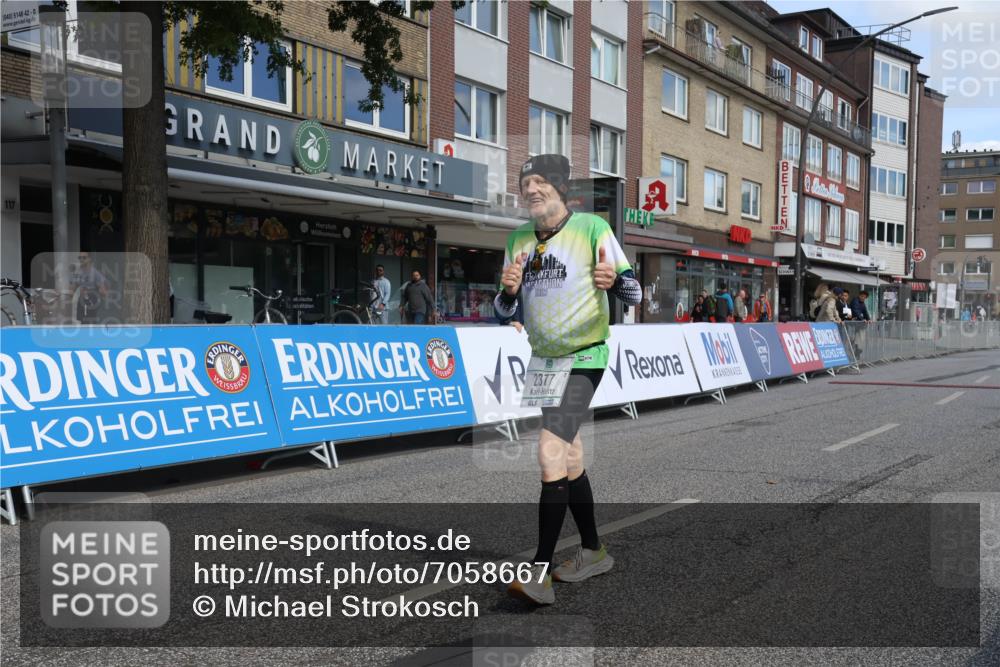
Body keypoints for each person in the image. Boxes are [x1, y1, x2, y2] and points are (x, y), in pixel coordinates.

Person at [494, 154, 641, 605]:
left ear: (560, 189)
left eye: (541, 182)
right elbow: (502, 312)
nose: (532, 190)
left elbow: (634, 293)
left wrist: (614, 282)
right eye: (526, 184)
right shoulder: (518, 238)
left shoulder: (593, 230)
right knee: (570, 456)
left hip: (586, 355)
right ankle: (595, 551)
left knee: (549, 449)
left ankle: (539, 572)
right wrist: (508, 292)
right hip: (544, 361)